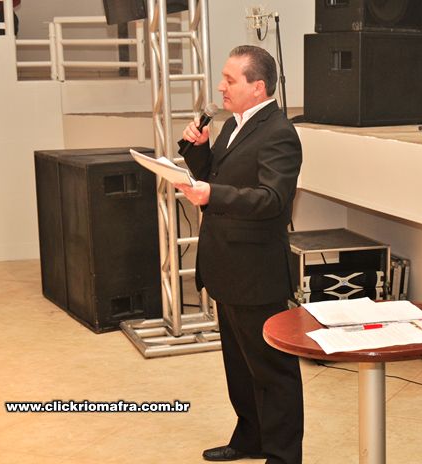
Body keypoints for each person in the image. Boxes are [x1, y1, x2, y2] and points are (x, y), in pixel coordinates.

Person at [177, 45, 303, 464]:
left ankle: (283, 456)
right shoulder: (234, 124)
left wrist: (212, 194)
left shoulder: (279, 133)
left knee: (273, 372)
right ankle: (250, 438)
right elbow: (216, 175)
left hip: (256, 271)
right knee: (240, 366)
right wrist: (198, 151)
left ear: (258, 86)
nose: (221, 87)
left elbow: (272, 200)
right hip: (227, 264)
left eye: (230, 80)